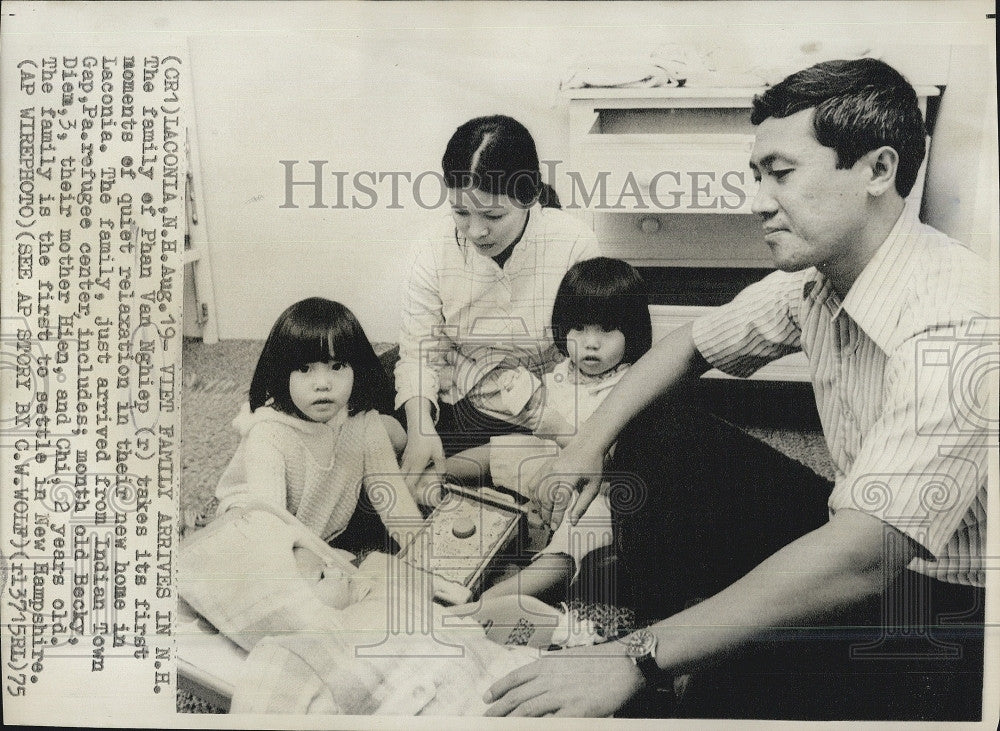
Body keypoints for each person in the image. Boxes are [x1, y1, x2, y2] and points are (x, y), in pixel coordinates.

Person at [483, 58, 989, 719]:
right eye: (756, 177)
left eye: (780, 174)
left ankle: (644, 662)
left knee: (733, 689)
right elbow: (686, 344)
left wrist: (641, 655)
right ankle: (648, 637)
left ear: (877, 169)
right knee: (651, 423)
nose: (756, 201)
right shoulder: (818, 276)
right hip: (856, 520)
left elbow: (868, 556)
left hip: (939, 599)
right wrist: (585, 442)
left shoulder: (958, 319)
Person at [394, 115, 601, 504]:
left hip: (551, 403)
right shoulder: (431, 248)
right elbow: (420, 352)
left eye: (492, 216)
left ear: (529, 196)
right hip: (464, 397)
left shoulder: (573, 242)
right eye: (460, 213)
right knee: (360, 422)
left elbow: (595, 345)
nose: (475, 231)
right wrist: (421, 426)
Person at [443, 258, 652, 601]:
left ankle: (506, 595)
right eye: (579, 328)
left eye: (606, 329)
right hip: (549, 465)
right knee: (499, 450)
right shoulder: (562, 372)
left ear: (632, 332)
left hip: (598, 489)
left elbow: (613, 458)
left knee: (584, 527)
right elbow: (533, 419)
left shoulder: (633, 385)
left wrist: (556, 428)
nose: (590, 343)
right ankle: (435, 483)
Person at [214, 297, 423, 555]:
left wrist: (427, 557)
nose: (323, 383)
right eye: (304, 369)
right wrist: (322, 558)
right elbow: (269, 529)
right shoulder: (269, 435)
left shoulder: (364, 422)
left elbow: (397, 505)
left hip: (319, 526)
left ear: (356, 369)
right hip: (253, 522)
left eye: (337, 366)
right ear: (282, 373)